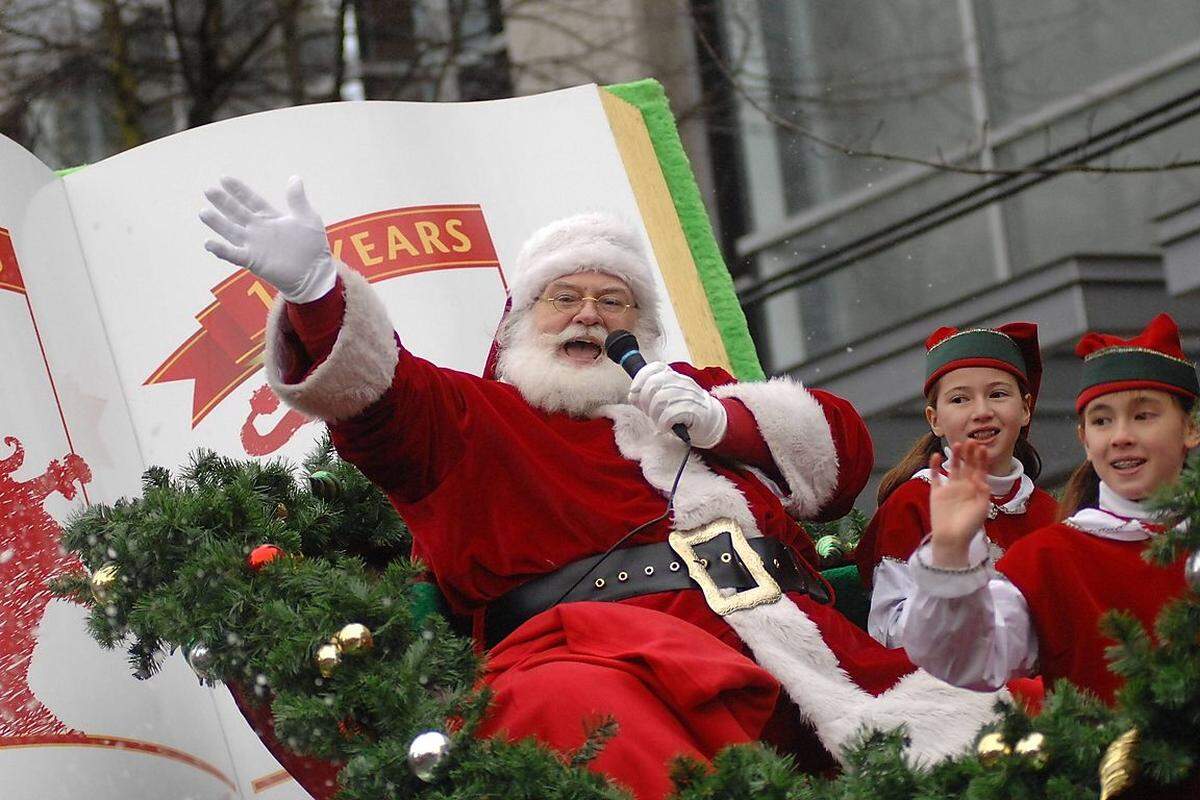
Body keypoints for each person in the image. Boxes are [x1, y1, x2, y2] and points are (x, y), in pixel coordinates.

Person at [200, 176, 1004, 799]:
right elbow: (374, 398)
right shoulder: (472, 417)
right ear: (520, 320)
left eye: (612, 301)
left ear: (643, 329)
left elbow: (839, 458)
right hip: (607, 664)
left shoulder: (698, 404)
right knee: (578, 714)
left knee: (1005, 723)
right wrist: (315, 293)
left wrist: (723, 423)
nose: (589, 316)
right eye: (565, 298)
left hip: (805, 668)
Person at [900, 313, 1200, 705]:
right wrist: (952, 554)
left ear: (1191, 428)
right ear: (1085, 440)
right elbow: (964, 661)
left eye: (1143, 416)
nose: (1122, 437)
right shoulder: (1047, 559)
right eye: (1102, 421)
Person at [855, 323, 1057, 647]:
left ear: (1025, 409)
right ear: (935, 419)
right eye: (960, 399)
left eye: (998, 394)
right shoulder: (914, 502)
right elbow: (889, 633)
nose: (982, 411)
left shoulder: (1054, 514)